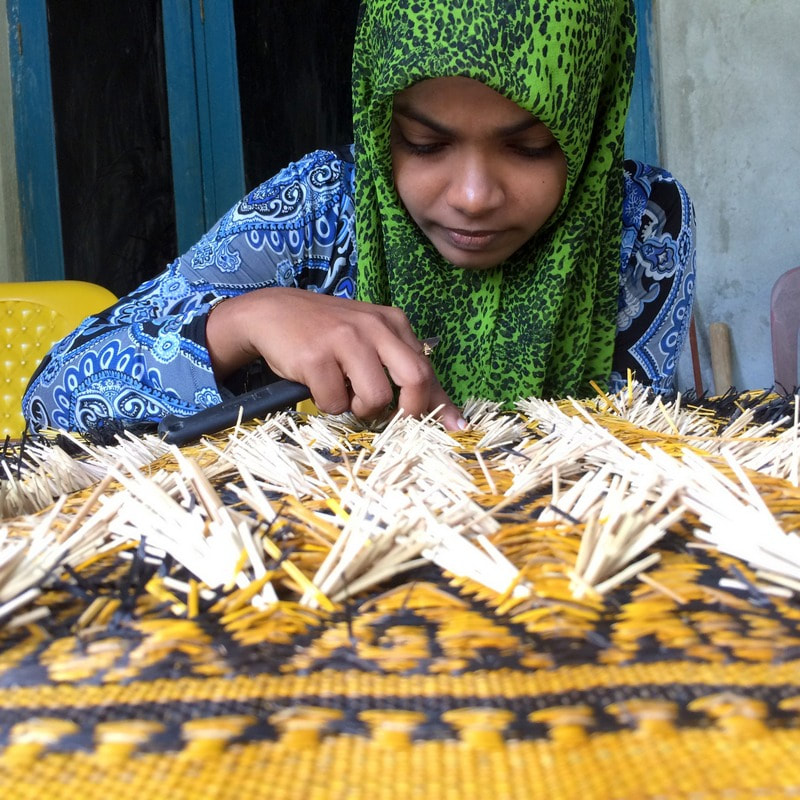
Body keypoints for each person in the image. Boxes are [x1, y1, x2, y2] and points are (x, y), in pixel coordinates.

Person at [23, 0, 695, 437]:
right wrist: (242, 323)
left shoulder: (642, 228)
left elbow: (636, 442)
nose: (471, 195)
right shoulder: (318, 207)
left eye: (529, 148)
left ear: (590, 125)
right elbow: (49, 401)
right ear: (380, 126)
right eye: (425, 144)